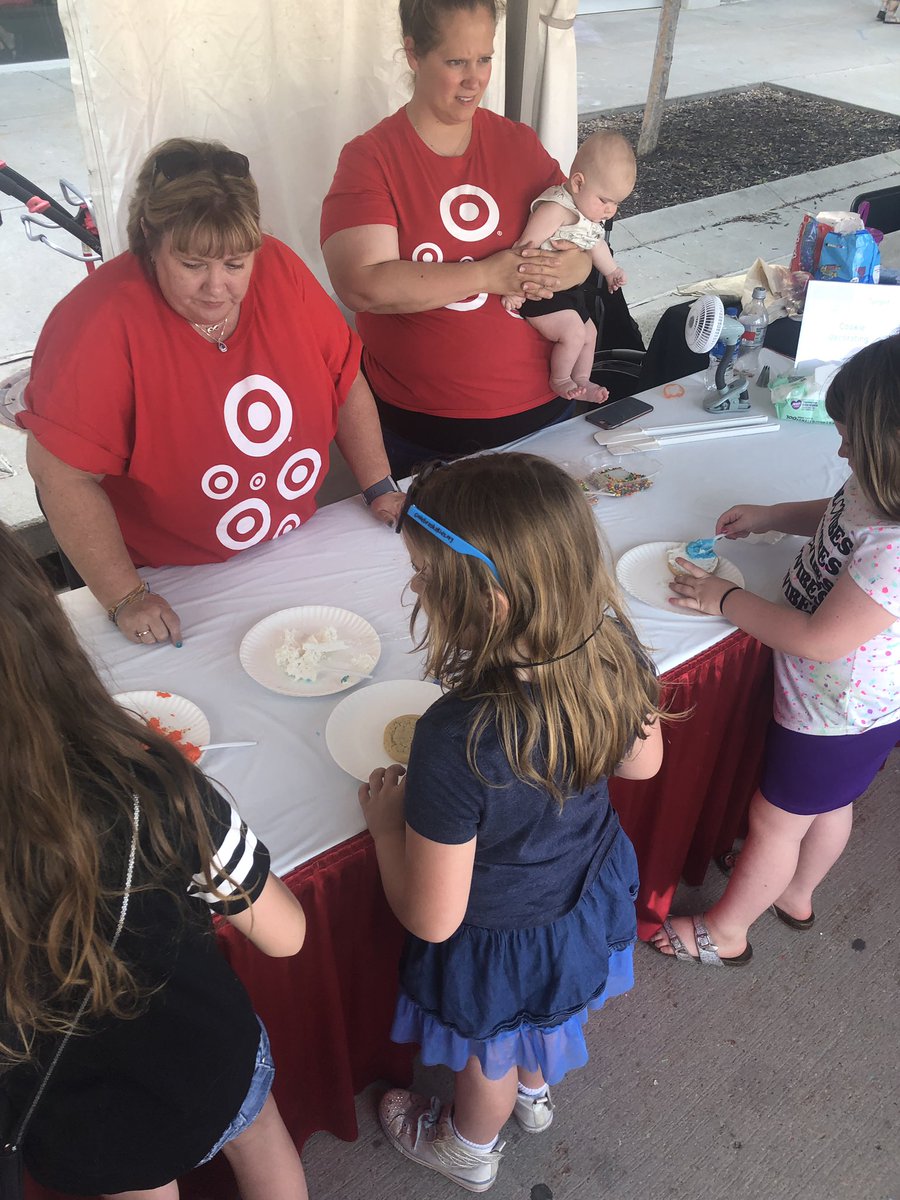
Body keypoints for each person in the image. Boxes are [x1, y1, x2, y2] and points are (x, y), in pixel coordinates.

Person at [358, 453, 664, 1191]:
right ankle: (533, 1091)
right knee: (541, 1018)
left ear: (489, 601)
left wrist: (384, 828)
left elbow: (434, 919)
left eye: (427, 575)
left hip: (502, 940)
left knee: (483, 1055)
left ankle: (470, 1145)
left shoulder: (457, 734)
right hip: (584, 898)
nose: (415, 586)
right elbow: (643, 766)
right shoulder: (611, 645)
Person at [0, 520, 309, 1199]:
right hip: (211, 1060)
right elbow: (286, 936)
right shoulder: (151, 784)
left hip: (78, 1116)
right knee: (260, 1140)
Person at [19, 137, 404, 646]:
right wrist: (126, 596)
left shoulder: (280, 268)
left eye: (235, 264)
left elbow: (344, 376)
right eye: (193, 265)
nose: (217, 287)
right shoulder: (98, 321)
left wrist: (379, 486)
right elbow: (60, 474)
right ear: (148, 240)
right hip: (170, 577)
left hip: (286, 548)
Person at [652, 335, 900, 967]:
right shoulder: (882, 485)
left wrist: (723, 601)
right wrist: (774, 515)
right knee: (828, 804)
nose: (841, 450)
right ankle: (794, 892)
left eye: (851, 438)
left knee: (774, 822)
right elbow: (839, 511)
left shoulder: (896, 549)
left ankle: (728, 929)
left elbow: (820, 640)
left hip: (832, 712)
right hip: (848, 712)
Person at [320, 0, 592, 481]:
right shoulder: (371, 158)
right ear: (413, 54)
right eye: (455, 62)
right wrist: (489, 274)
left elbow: (579, 243)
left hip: (543, 416)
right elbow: (363, 285)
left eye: (484, 59)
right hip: (425, 436)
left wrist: (567, 267)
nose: (475, 79)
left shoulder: (518, 144)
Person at [503, 131, 636, 404]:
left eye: (617, 204)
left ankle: (583, 380)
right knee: (574, 333)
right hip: (539, 293)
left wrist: (611, 271)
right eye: (605, 200)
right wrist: (515, 289)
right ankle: (561, 379)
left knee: (590, 333)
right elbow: (524, 247)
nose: (610, 211)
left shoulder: (587, 212)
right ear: (578, 183)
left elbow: (595, 243)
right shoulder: (555, 210)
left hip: (567, 293)